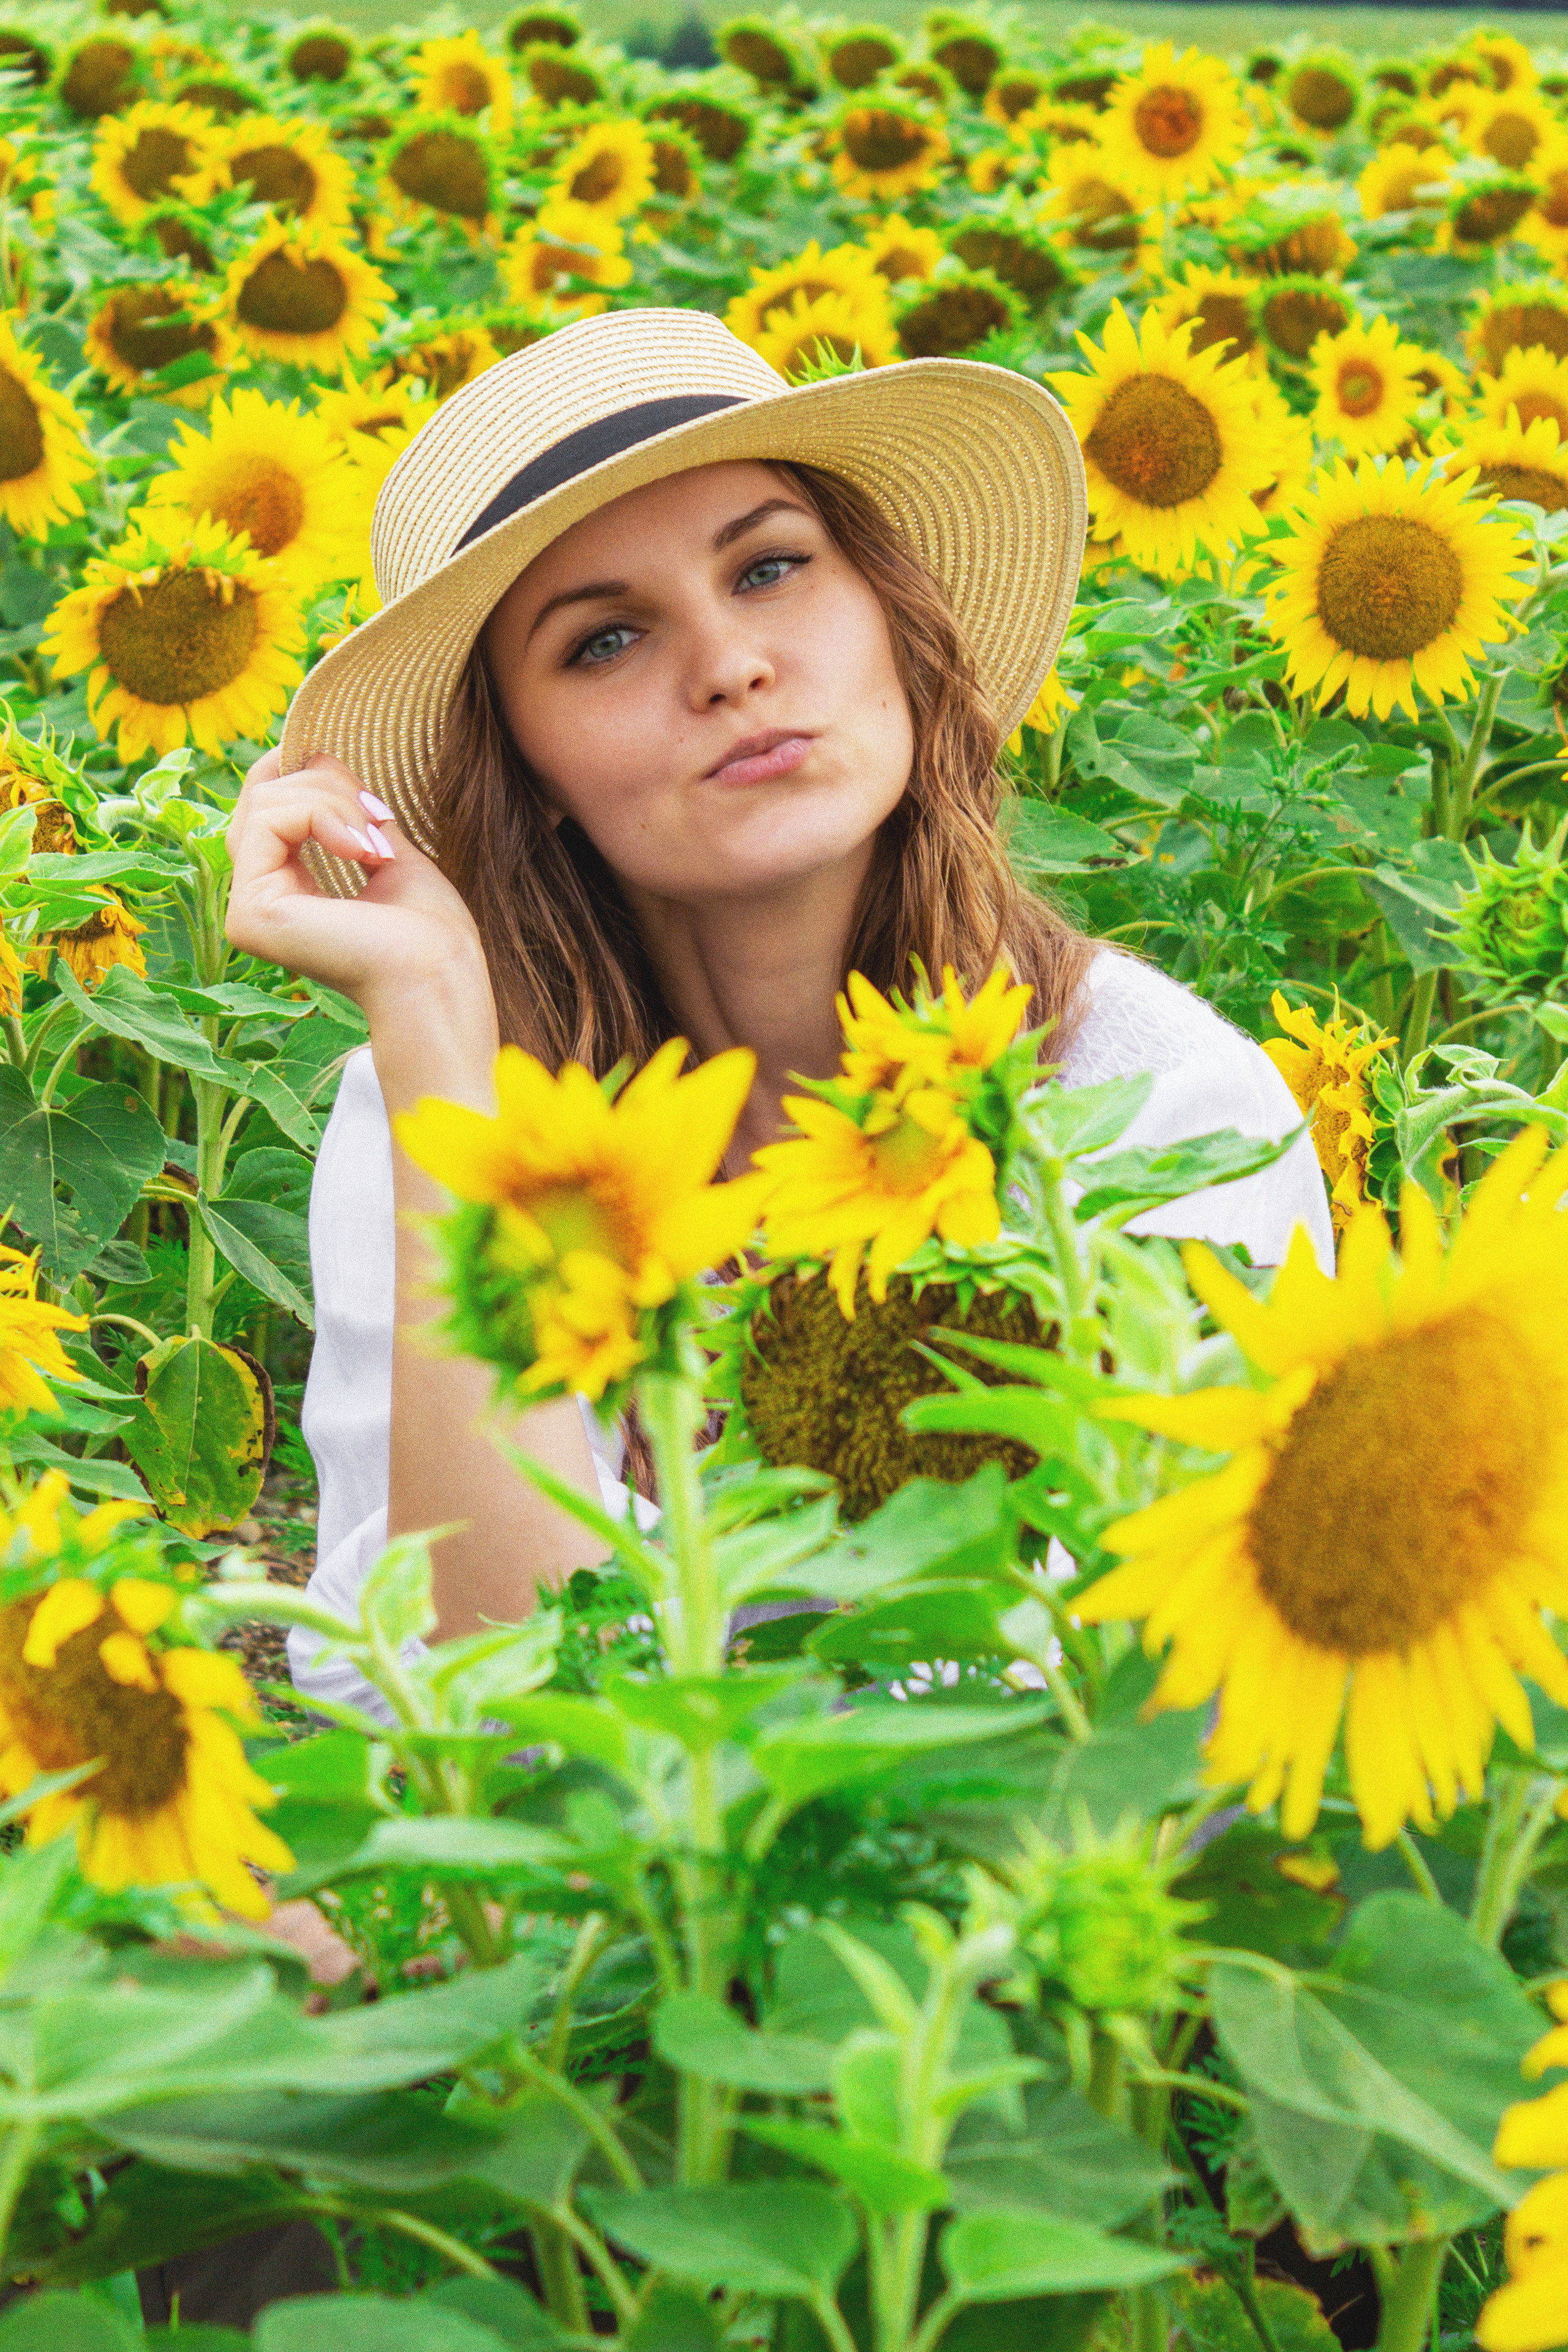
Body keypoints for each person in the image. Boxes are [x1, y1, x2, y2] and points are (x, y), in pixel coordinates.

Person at [224, 307, 1332, 1720]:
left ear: (891, 615)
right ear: (532, 769)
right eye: (605, 640)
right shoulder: (434, 1093)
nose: (729, 666)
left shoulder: (1155, 1109)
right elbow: (461, 1692)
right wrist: (435, 1014)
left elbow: (1130, 1720)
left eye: (768, 569)